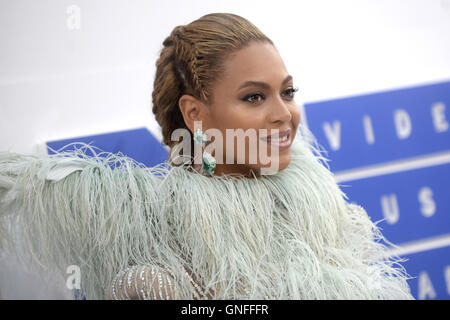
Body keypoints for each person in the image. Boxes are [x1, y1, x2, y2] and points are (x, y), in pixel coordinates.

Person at [0, 13, 413, 300]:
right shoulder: (159, 277)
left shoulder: (329, 213)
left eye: (287, 92)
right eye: (254, 97)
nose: (284, 114)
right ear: (195, 115)